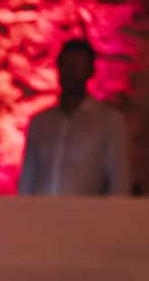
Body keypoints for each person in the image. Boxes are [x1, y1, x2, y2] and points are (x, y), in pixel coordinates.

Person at [16, 38, 131, 196]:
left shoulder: (109, 121)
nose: (70, 74)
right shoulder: (40, 122)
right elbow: (27, 179)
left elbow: (119, 181)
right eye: (66, 67)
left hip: (84, 217)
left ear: (90, 71)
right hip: (39, 215)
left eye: (76, 68)